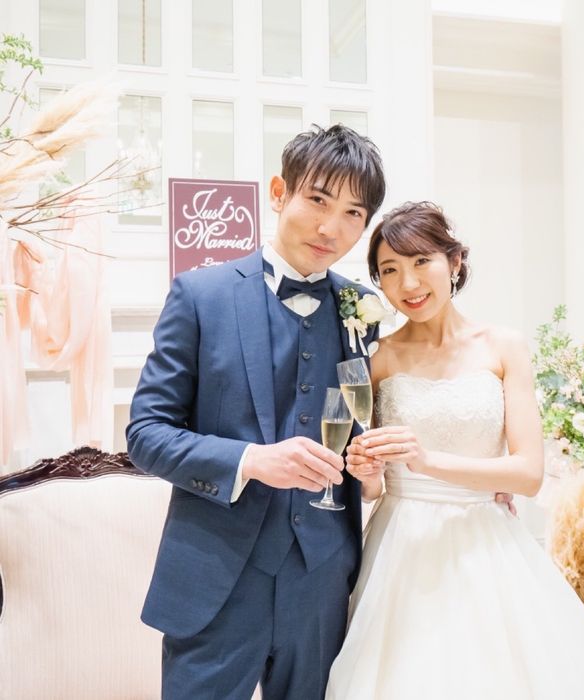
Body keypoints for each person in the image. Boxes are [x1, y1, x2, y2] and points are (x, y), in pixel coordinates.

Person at [325, 202, 584, 699]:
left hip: (486, 541)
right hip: (401, 545)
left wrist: (428, 462)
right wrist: (365, 470)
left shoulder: (503, 346)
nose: (409, 283)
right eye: (390, 270)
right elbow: (372, 486)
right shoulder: (378, 358)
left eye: (421, 261)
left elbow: (528, 474)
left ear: (454, 262)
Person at [126, 124, 386, 700]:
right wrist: (251, 460)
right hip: (216, 576)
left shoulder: (362, 309)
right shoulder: (201, 295)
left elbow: (364, 424)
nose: (331, 228)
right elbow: (145, 434)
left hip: (321, 578)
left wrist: (375, 471)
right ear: (278, 192)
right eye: (318, 200)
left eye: (353, 213)